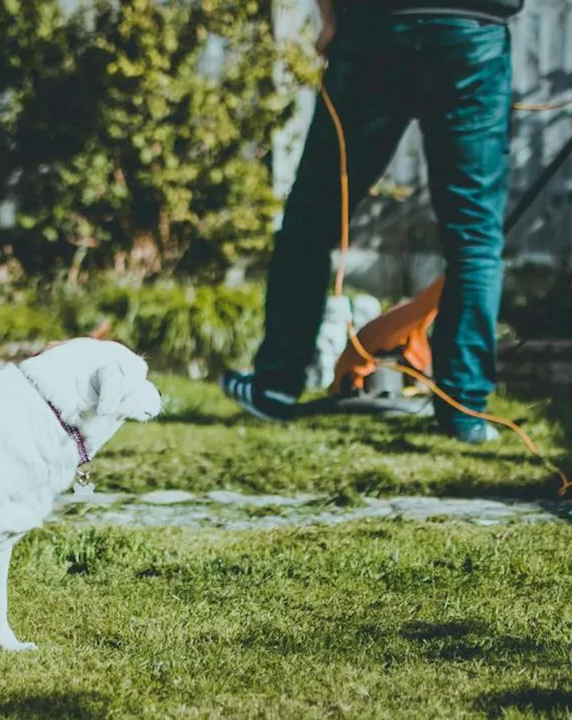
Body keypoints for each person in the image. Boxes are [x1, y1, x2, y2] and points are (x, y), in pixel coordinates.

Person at [221, 0, 526, 443]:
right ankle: (465, 413)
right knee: (475, 235)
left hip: (376, 29)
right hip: (471, 33)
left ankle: (275, 387)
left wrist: (329, 20)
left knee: (313, 214)